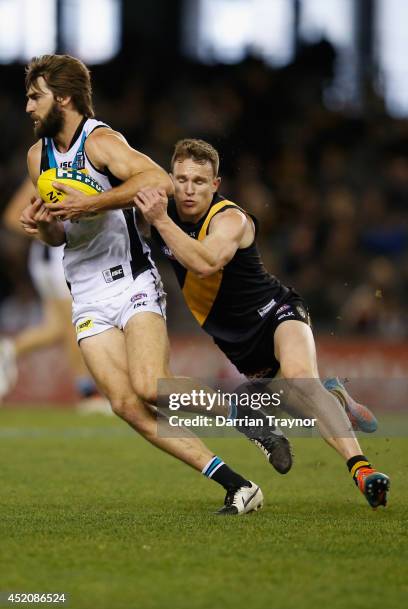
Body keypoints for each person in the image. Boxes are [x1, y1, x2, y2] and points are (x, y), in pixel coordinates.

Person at [19, 55, 266, 516]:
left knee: (153, 386)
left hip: (130, 278)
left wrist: (90, 203)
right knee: (126, 405)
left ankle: (242, 414)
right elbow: (60, 233)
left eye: (36, 96)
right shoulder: (38, 157)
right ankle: (238, 485)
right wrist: (45, 226)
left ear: (64, 97)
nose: (29, 107)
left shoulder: (101, 141)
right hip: (86, 292)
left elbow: (156, 180)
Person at [133, 138, 390, 509]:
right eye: (182, 179)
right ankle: (338, 397)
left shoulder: (229, 219)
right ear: (170, 179)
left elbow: (205, 262)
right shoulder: (160, 207)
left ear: (216, 185)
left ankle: (363, 471)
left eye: (200, 182)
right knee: (308, 407)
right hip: (240, 346)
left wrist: (158, 220)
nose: (189, 190)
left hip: (277, 313)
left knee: (302, 378)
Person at [0, 177, 109, 412]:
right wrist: (51, 229)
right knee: (75, 324)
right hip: (57, 256)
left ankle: (9, 349)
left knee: (55, 327)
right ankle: (87, 394)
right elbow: (12, 217)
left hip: (55, 257)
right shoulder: (48, 173)